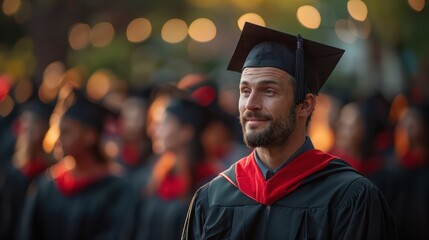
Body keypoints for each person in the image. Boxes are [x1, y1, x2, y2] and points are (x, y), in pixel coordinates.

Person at [181, 22, 396, 239]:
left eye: (269, 91)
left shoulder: (350, 198)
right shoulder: (211, 199)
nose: (250, 104)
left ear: (305, 105)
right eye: (245, 91)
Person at [18, 88, 136, 240]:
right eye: (58, 131)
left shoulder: (116, 191)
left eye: (66, 132)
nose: (58, 139)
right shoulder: (47, 186)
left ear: (90, 136)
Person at [0, 96, 54, 240]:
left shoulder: (51, 171)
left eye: (35, 123)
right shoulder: (11, 168)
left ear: (46, 129)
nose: (29, 128)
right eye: (26, 123)